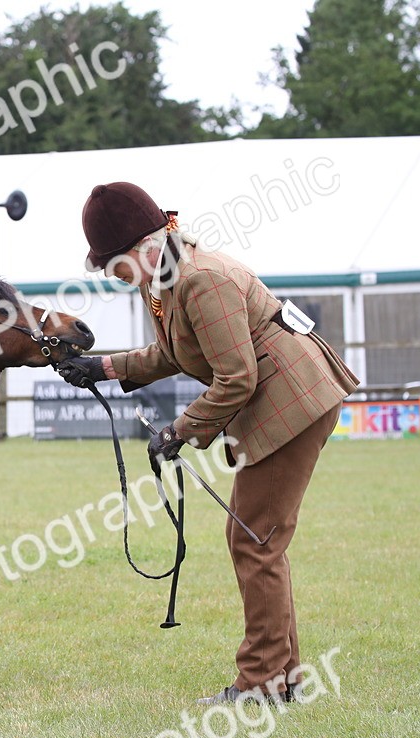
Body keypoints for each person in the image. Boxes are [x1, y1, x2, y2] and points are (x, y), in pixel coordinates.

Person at [58, 182, 359, 705]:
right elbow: (174, 352)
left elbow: (237, 378)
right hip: (285, 396)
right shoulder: (172, 276)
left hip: (291, 400)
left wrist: (180, 430)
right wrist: (102, 368)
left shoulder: (199, 281)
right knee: (259, 538)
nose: (117, 278)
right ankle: (284, 678)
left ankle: (262, 684)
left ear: (144, 250)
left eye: (117, 267)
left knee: (255, 540)